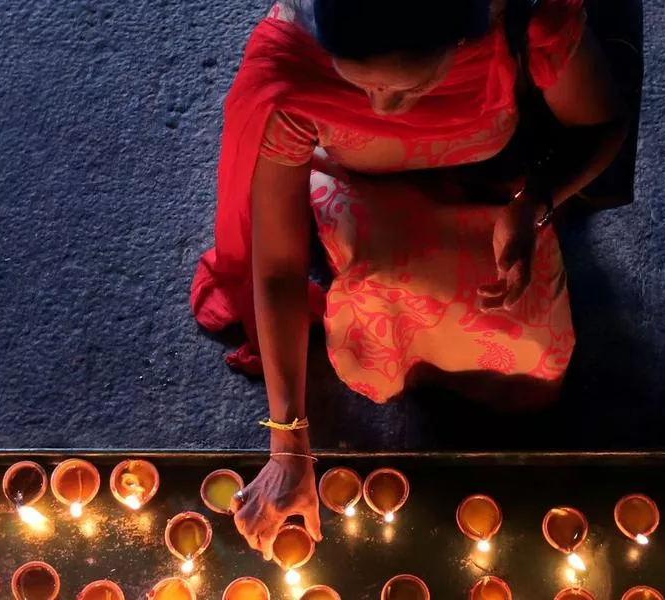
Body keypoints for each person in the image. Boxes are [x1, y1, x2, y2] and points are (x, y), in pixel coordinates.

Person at [190, 0, 628, 556]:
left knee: (534, 354)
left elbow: (602, 124)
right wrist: (288, 446)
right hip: (362, 184)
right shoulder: (292, 71)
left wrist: (535, 203)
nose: (383, 107)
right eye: (360, 84)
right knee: (374, 321)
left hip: (493, 187)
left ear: (463, 38)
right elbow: (276, 266)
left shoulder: (525, 19)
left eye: (409, 89)